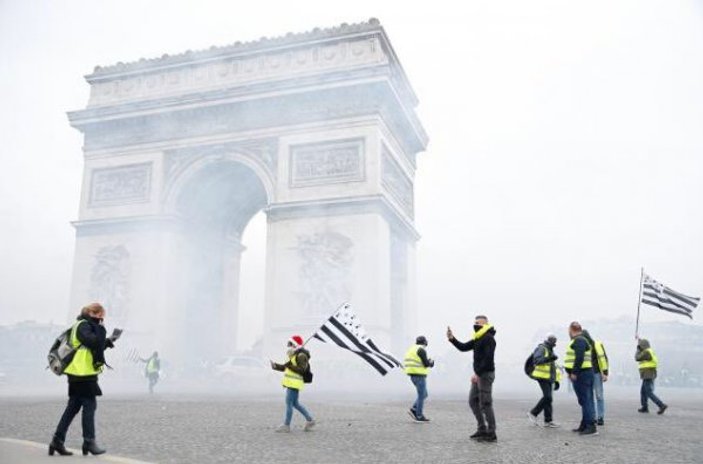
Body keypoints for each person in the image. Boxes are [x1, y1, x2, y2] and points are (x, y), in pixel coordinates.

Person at [49, 302, 120, 456]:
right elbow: (93, 341)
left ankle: (57, 441)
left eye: (102, 315)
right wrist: (101, 329)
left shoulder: (86, 325)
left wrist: (110, 341)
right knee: (90, 405)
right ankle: (89, 441)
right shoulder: (83, 325)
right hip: (82, 373)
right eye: (99, 314)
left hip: (79, 373)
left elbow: (92, 345)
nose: (101, 318)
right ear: (92, 313)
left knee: (73, 407)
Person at [447, 315, 497, 442]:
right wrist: (452, 339)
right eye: (475, 323)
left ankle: (491, 433)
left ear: (486, 324)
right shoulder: (478, 337)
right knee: (472, 401)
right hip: (479, 374)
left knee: (486, 403)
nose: (476, 325)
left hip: (485, 375)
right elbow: (463, 347)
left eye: (479, 323)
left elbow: (488, 359)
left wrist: (478, 374)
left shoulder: (488, 338)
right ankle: (482, 429)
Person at [270, 335, 315, 433]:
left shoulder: (301, 355)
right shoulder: (293, 355)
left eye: (290, 344)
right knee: (295, 404)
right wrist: (276, 366)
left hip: (294, 383)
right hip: (291, 383)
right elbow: (286, 367)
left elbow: (302, 370)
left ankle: (286, 425)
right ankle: (310, 420)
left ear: (294, 344)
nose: (288, 346)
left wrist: (289, 365)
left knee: (289, 403)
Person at [564, 321, 597, 436]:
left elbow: (579, 357)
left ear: (571, 330)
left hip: (582, 374)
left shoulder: (579, 340)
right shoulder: (582, 340)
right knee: (585, 400)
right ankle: (584, 424)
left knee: (586, 400)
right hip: (585, 373)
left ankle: (590, 426)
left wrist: (574, 372)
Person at [527, 334, 561, 427]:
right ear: (549, 340)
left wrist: (555, 379)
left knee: (548, 399)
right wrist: (550, 358)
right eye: (553, 340)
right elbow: (536, 360)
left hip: (548, 377)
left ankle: (548, 421)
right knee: (548, 397)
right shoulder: (542, 348)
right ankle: (533, 413)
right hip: (542, 376)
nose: (554, 342)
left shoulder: (549, 348)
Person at [404, 335, 435, 422]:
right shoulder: (421, 349)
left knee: (424, 394)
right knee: (422, 395)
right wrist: (431, 362)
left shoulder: (411, 349)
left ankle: (414, 409)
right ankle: (419, 415)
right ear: (425, 342)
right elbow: (425, 364)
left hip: (412, 374)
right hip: (419, 374)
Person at [582, 330, 609, 425]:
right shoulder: (582, 346)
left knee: (599, 396)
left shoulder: (597, 344)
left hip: (596, 373)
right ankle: (593, 417)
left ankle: (600, 417)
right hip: (587, 373)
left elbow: (604, 358)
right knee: (590, 397)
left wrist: (605, 373)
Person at [636, 338, 668, 414]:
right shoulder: (649, 351)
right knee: (643, 391)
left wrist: (638, 349)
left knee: (648, 392)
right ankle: (645, 407)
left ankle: (661, 405)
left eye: (640, 346)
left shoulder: (647, 352)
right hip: (648, 373)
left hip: (648, 374)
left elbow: (637, 358)